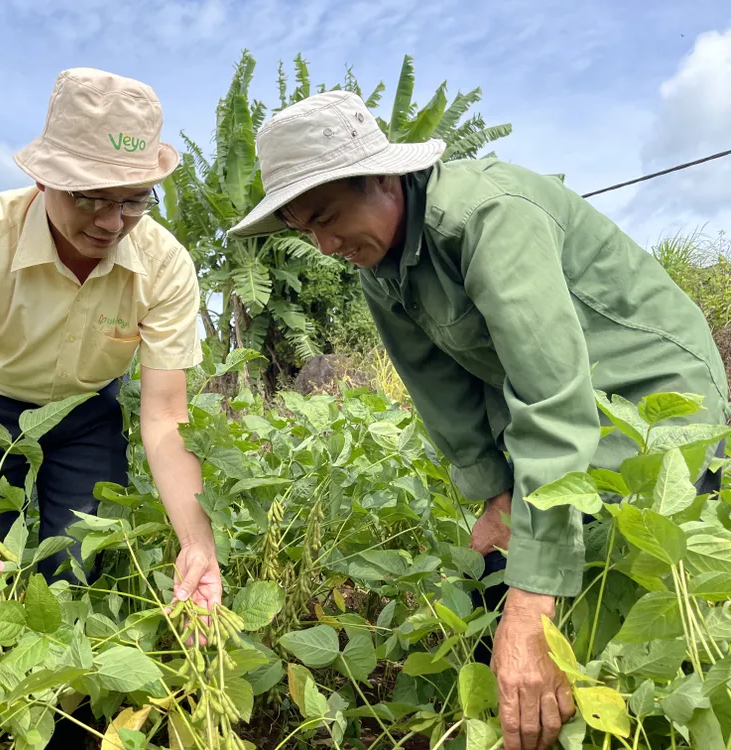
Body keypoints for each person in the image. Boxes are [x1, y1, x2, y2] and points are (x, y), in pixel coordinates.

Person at [227, 89, 729, 750]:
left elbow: (551, 396)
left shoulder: (489, 216)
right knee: (498, 581)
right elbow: (446, 396)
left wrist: (533, 600)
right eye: (303, 231)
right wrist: (498, 495)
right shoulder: (381, 268)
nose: (324, 244)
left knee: (634, 590)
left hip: (650, 399)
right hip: (564, 409)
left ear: (383, 178)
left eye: (326, 217)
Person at [0, 67, 222, 679]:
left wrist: (196, 543)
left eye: (133, 200)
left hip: (86, 413)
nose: (110, 222)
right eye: (90, 197)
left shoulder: (165, 266)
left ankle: (57, 696)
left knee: (76, 565)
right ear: (44, 178)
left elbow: (165, 416)